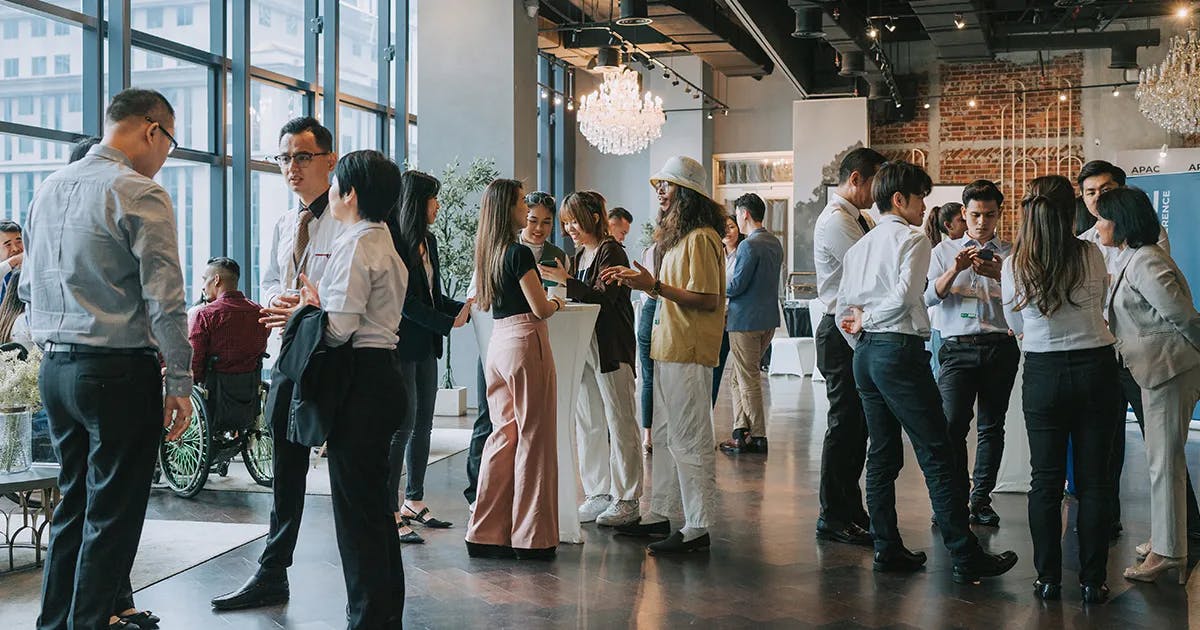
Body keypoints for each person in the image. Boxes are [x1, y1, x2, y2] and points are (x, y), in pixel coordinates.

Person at [21, 88, 193, 630]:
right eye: (170, 143)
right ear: (152, 130)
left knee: (73, 506)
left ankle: (53, 624)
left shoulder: (47, 188)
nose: (166, 157)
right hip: (117, 371)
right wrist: (181, 380)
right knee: (112, 518)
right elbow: (166, 300)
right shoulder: (139, 192)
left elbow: (29, 285)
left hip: (56, 370)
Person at [838, 161, 1018, 582]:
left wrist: (862, 336)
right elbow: (905, 298)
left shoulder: (859, 247)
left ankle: (887, 546)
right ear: (900, 199)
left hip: (866, 356)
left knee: (882, 454)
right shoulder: (914, 241)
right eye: (921, 198)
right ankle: (964, 553)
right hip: (897, 351)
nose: (927, 208)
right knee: (937, 451)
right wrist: (875, 325)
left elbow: (843, 307)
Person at [212, 116, 343, 611]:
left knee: (348, 473)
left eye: (302, 156)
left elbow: (356, 292)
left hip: (334, 356)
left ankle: (365, 586)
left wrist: (310, 306)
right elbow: (270, 279)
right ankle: (272, 570)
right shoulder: (286, 222)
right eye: (284, 157)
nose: (291, 167)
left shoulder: (349, 219)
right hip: (290, 355)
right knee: (285, 468)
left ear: (329, 160)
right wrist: (280, 301)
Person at [286, 149, 409, 627]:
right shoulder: (383, 240)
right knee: (375, 514)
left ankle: (367, 620)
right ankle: (381, 617)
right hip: (382, 377)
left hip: (361, 383)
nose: (331, 191)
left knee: (358, 520)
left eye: (335, 183)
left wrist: (308, 306)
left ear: (350, 194)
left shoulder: (356, 243)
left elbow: (338, 330)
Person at [1001, 175, 1124, 603]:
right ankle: (1093, 580)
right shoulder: (1091, 252)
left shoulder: (1014, 263)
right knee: (1094, 484)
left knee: (1045, 483)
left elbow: (1015, 326)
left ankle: (1047, 579)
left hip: (1043, 372)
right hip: (1096, 368)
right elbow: (1102, 305)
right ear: (1070, 209)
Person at [602, 155, 725, 555]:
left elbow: (708, 300)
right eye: (659, 185)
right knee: (671, 435)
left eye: (668, 185)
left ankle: (698, 525)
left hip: (688, 349)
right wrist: (649, 285)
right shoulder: (680, 238)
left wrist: (653, 285)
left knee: (690, 438)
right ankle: (666, 513)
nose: (660, 191)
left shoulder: (702, 237)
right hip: (672, 346)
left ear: (688, 193)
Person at [1075, 160, 1198, 541]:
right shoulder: (1086, 242)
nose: (1098, 201)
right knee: (1110, 447)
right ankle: (1138, 531)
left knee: (1163, 454)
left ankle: (1180, 536)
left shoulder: (1146, 248)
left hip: (1152, 362)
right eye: (1090, 192)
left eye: (1106, 191)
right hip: (1107, 354)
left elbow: (1179, 314)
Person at [1097, 187, 1200, 585]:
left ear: (1121, 221)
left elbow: (1185, 318)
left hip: (1169, 370)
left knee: (1164, 462)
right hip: (1158, 370)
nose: (1098, 225)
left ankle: (1169, 552)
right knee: (1162, 460)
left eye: (1103, 218)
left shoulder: (1146, 261)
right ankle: (1165, 538)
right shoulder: (1134, 257)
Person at [465, 178, 566, 560]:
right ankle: (532, 538)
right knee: (535, 441)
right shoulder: (520, 253)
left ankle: (485, 532)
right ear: (508, 208)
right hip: (526, 342)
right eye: (523, 202)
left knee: (503, 435)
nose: (527, 208)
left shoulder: (487, 252)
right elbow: (540, 308)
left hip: (498, 345)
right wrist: (556, 302)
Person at [539, 191, 640, 527]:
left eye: (574, 221)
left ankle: (627, 499)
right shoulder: (581, 253)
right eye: (565, 222)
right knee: (589, 422)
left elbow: (605, 299)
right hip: (585, 346)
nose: (569, 228)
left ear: (594, 217)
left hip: (611, 347)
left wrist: (565, 281)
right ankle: (598, 492)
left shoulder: (612, 250)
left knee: (620, 421)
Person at [924, 181, 1018, 527]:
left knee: (992, 427)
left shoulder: (1011, 253)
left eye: (989, 215)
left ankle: (981, 500)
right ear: (963, 214)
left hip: (999, 348)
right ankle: (953, 501)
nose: (982, 222)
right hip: (957, 349)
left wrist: (1001, 275)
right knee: (951, 427)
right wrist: (955, 270)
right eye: (975, 214)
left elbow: (1022, 300)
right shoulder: (941, 252)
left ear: (999, 214)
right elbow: (928, 299)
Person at [387, 170, 472, 543]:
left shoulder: (429, 241)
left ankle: (414, 500)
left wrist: (465, 307)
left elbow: (432, 296)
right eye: (433, 198)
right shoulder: (395, 241)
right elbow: (406, 304)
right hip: (403, 346)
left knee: (424, 425)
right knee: (401, 428)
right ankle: (389, 508)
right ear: (417, 202)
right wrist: (448, 322)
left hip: (426, 347)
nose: (437, 205)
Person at [812, 147, 886, 547]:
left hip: (850, 328)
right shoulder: (837, 222)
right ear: (856, 178)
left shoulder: (858, 217)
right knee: (844, 425)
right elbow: (872, 271)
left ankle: (851, 509)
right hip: (838, 330)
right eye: (875, 182)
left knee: (856, 427)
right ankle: (832, 516)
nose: (878, 193)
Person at [719, 193, 783, 454]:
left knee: (748, 379)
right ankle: (740, 430)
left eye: (737, 214)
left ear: (744, 213)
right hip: (767, 318)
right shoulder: (774, 242)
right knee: (739, 376)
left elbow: (736, 285)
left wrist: (714, 283)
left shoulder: (749, 245)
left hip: (745, 320)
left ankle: (758, 435)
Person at [188, 257, 270, 384]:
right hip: (251, 395)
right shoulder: (261, 313)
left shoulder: (205, 314)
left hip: (213, 395)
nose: (203, 287)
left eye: (205, 280)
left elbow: (194, 365)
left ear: (216, 280)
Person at [923, 202, 966, 377]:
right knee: (940, 378)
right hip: (941, 328)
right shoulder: (939, 252)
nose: (969, 223)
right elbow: (928, 295)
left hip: (964, 328)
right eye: (962, 220)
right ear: (949, 226)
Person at [711, 214, 741, 407]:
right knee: (715, 370)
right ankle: (707, 416)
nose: (728, 232)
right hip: (718, 319)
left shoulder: (744, 253)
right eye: (724, 228)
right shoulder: (715, 255)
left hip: (738, 318)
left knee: (739, 374)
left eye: (731, 227)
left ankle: (742, 428)